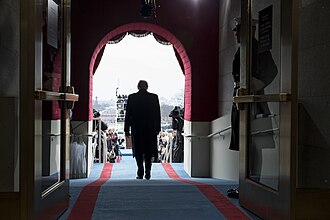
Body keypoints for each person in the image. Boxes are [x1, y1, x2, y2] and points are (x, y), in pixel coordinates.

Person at [228, 17, 278, 198]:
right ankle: (246, 185)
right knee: (246, 146)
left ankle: (252, 186)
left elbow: (272, 70)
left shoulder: (257, 48)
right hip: (243, 102)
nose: (235, 34)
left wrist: (258, 83)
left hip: (254, 104)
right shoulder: (244, 49)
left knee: (254, 147)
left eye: (238, 30)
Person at [124, 80, 161, 180]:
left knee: (138, 151)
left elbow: (128, 115)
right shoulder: (154, 97)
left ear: (138, 87)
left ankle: (140, 171)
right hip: (150, 129)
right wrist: (158, 128)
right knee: (149, 151)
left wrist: (126, 129)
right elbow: (158, 115)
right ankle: (148, 171)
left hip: (137, 128)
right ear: (147, 87)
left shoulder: (132, 98)